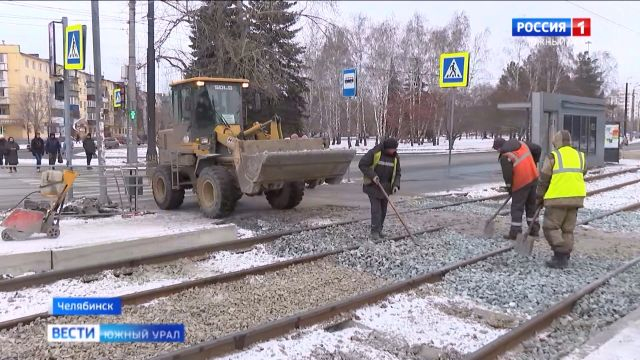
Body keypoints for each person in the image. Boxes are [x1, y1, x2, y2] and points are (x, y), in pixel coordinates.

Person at [536, 130, 586, 269]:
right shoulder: (580, 156)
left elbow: (544, 179)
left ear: (556, 142)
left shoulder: (553, 157)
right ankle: (565, 254)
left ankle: (560, 255)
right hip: (576, 198)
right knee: (567, 230)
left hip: (557, 198)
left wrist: (539, 197)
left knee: (550, 227)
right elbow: (582, 173)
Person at [492, 137, 542, 240]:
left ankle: (515, 232)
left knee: (517, 207)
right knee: (531, 205)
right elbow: (537, 148)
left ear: (499, 148)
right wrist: (534, 163)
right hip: (533, 177)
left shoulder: (505, 156)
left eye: (496, 149)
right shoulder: (522, 144)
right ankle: (534, 230)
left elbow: (507, 175)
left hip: (521, 181)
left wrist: (510, 188)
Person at [359, 138, 401, 242]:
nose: (394, 151)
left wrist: (395, 185)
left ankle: (379, 229)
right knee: (376, 210)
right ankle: (374, 232)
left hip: (386, 188)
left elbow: (398, 173)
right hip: (373, 186)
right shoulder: (375, 152)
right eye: (392, 149)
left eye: (395, 149)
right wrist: (373, 176)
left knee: (383, 210)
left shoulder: (395, 157)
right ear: (387, 148)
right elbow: (362, 164)